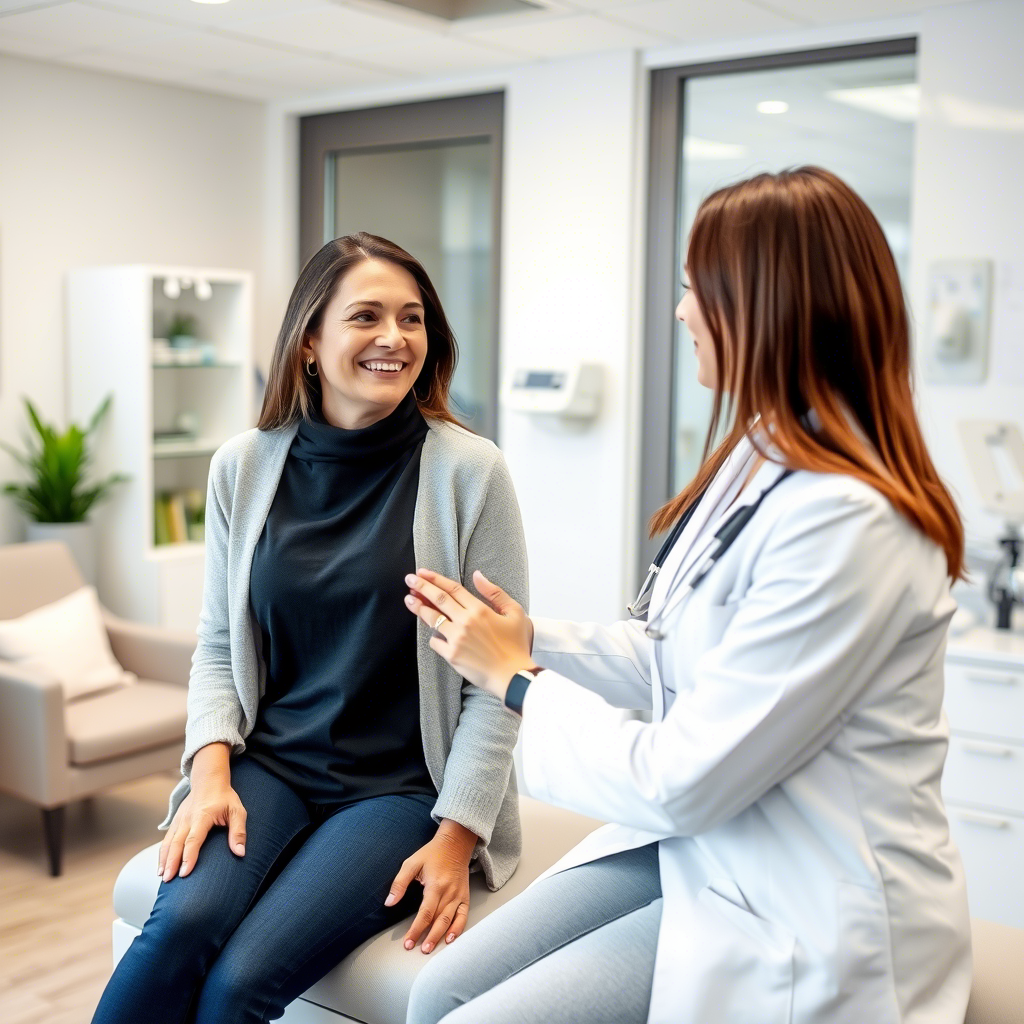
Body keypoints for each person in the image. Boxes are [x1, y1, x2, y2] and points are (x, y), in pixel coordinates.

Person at [403, 168, 972, 1024]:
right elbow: (675, 656)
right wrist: (527, 640)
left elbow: (684, 780)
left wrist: (519, 682)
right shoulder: (761, 456)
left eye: (694, 289)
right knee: (439, 988)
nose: (680, 313)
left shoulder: (855, 524)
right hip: (716, 847)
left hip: (806, 897)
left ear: (769, 306)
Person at [92, 232, 526, 1024]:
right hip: (272, 765)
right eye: (366, 316)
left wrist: (459, 837)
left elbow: (498, 684)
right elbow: (220, 643)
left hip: (399, 788)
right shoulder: (244, 466)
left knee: (238, 984)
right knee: (179, 928)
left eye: (413, 318)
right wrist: (212, 771)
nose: (395, 338)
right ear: (310, 344)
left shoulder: (471, 473)